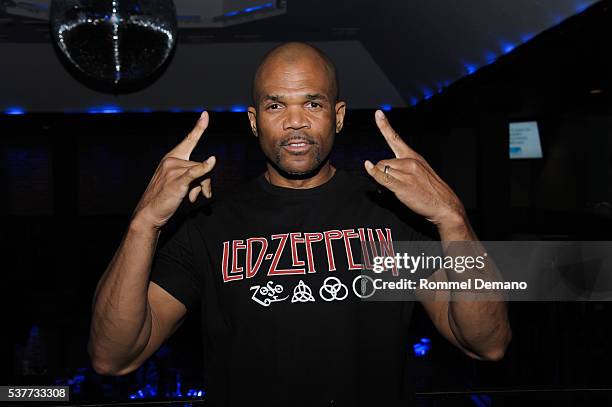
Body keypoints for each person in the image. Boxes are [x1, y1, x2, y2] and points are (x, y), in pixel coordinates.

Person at [88, 42, 511, 406]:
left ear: (338, 116)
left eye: (313, 103)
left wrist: (452, 218)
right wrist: (145, 222)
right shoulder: (210, 222)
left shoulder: (392, 214)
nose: (295, 122)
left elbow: (486, 343)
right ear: (254, 121)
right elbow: (114, 356)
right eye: (276, 105)